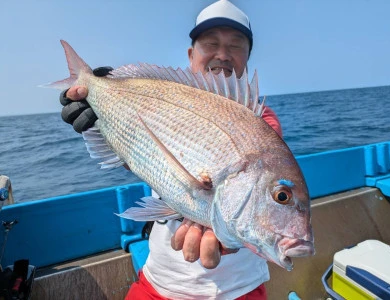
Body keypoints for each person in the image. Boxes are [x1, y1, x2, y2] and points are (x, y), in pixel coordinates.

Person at [60, 0, 282, 298]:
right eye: (211, 43)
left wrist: (227, 232)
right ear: (191, 55)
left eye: (236, 45)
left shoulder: (260, 123)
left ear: (248, 56)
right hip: (158, 282)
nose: (222, 54)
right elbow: (136, 158)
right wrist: (102, 106)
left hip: (239, 289)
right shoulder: (162, 95)